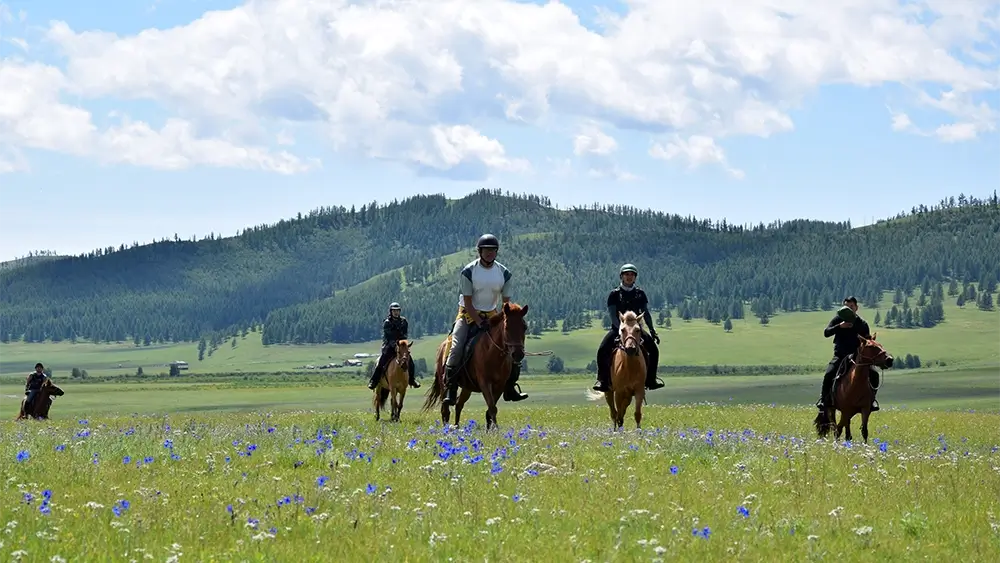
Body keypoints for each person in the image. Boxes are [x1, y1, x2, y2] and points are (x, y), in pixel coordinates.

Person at [442, 233, 528, 406]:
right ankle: (451, 388)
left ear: (497, 252)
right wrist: (479, 321)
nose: (489, 253)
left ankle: (510, 387)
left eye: (493, 250)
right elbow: (468, 302)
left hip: (492, 316)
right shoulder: (468, 271)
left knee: (511, 347)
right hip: (467, 315)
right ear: (479, 251)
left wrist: (502, 320)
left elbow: (506, 304)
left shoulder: (504, 273)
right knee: (456, 347)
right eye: (486, 250)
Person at [593, 264, 664, 392]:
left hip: (636, 330)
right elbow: (613, 315)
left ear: (635, 277)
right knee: (602, 350)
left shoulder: (640, 294)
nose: (629, 277)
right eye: (626, 274)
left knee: (654, 350)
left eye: (632, 274)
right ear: (621, 276)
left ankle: (651, 379)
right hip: (618, 329)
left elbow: (646, 313)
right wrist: (620, 330)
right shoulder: (614, 294)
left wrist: (652, 330)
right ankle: (603, 380)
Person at [818, 296, 879, 411]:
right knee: (829, 373)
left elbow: (866, 341)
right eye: (846, 306)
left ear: (856, 308)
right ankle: (823, 399)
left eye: (851, 306)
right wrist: (839, 326)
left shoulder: (862, 324)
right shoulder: (838, 319)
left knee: (874, 374)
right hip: (840, 355)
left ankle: (872, 400)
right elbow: (826, 333)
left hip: (857, 357)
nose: (849, 309)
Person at [367, 302, 419, 390]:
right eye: (394, 311)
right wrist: (394, 344)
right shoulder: (387, 322)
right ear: (391, 311)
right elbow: (389, 336)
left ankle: (412, 380)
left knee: (410, 362)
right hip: (389, 346)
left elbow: (405, 334)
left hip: (401, 345)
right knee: (381, 362)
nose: (396, 312)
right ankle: (374, 381)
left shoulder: (404, 321)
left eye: (397, 310)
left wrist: (402, 344)